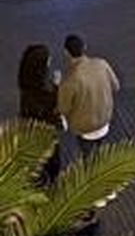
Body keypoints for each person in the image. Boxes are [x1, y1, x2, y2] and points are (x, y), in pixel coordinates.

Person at [58, 32, 119, 162]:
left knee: (88, 156)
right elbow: (116, 86)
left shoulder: (70, 79)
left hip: (85, 128)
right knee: (99, 148)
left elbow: (63, 108)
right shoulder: (102, 64)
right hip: (104, 120)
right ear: (84, 47)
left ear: (66, 53)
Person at [17, 41, 61, 181]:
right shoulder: (41, 93)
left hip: (29, 128)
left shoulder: (26, 83)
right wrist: (57, 86)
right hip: (45, 130)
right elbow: (52, 105)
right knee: (52, 160)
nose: (50, 62)